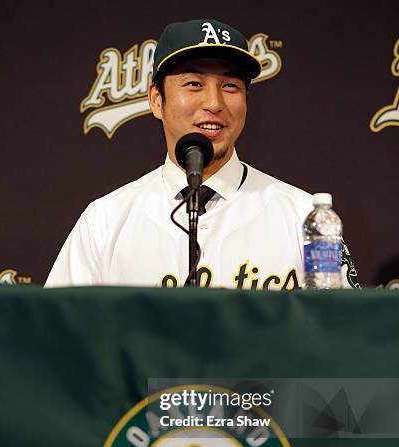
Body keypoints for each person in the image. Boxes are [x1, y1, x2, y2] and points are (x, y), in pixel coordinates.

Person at [45, 18, 359, 290]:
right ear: (157, 100)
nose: (214, 102)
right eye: (194, 83)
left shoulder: (304, 217)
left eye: (230, 86)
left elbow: (345, 336)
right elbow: (56, 339)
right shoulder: (105, 221)